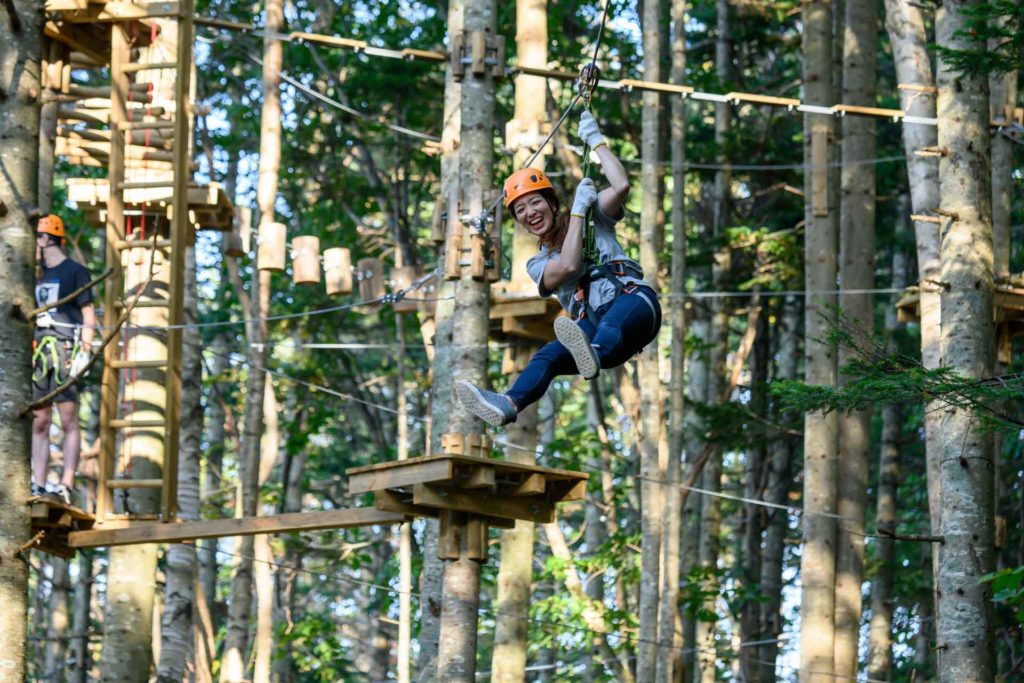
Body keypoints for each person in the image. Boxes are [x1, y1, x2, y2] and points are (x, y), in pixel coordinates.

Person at [456, 111, 662, 426]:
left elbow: (620, 186)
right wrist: (578, 211)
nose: (529, 213)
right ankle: (510, 403)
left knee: (609, 324)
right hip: (599, 338)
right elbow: (568, 265)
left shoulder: (594, 216)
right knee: (549, 355)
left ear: (552, 204)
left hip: (633, 303)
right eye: (521, 210)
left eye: (535, 202)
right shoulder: (538, 263)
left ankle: (594, 349)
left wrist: (597, 143)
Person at [31, 214, 96, 505]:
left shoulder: (75, 272)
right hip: (38, 352)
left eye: (36, 239)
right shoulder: (35, 274)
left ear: (46, 239)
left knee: (68, 417)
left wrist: (85, 349)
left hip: (65, 350)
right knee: (40, 419)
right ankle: (39, 481)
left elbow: (88, 314)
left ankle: (66, 483)